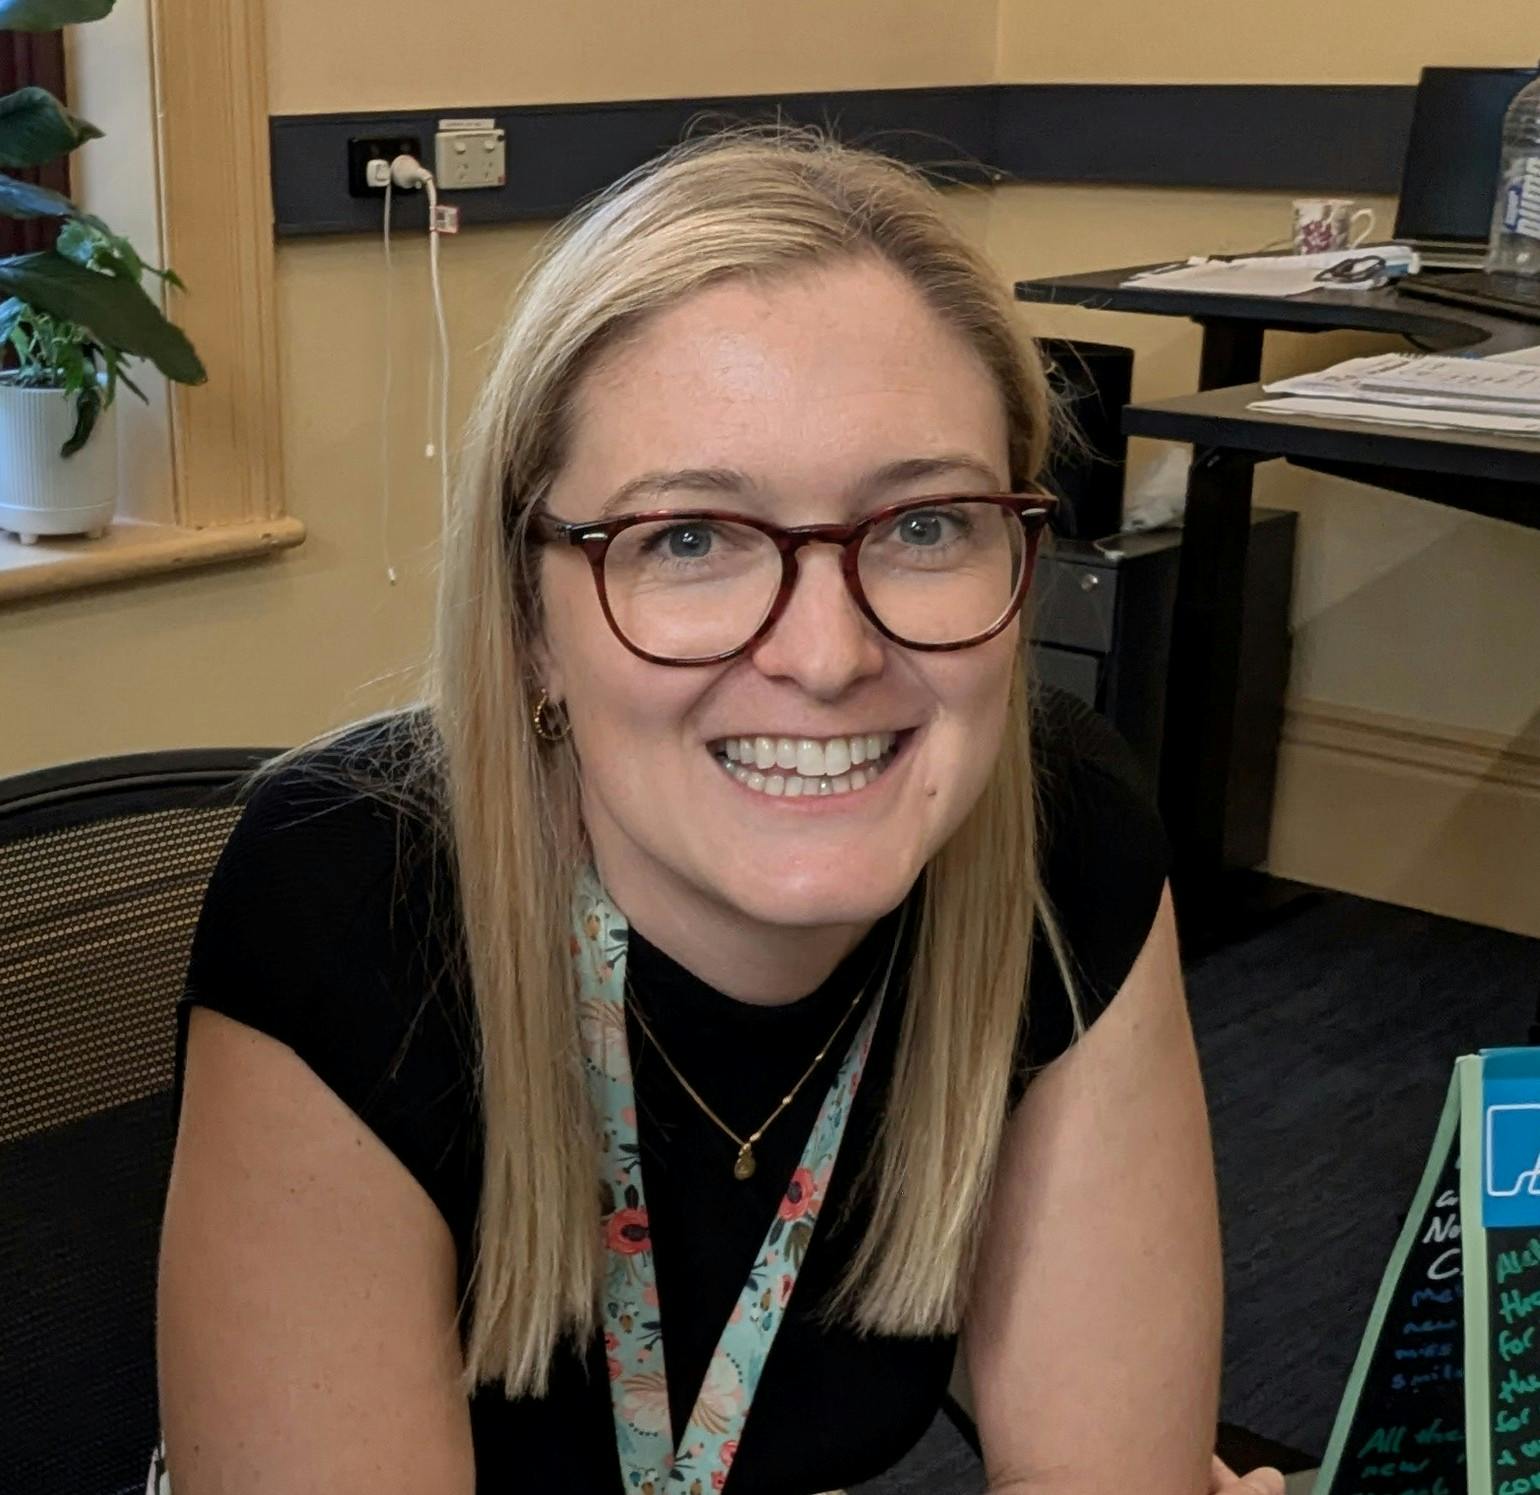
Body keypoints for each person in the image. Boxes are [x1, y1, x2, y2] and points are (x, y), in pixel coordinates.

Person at [155, 131, 1285, 1495]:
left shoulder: (1065, 833)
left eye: (925, 525)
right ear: (528, 619)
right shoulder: (344, 895)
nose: (827, 654)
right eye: (689, 537)